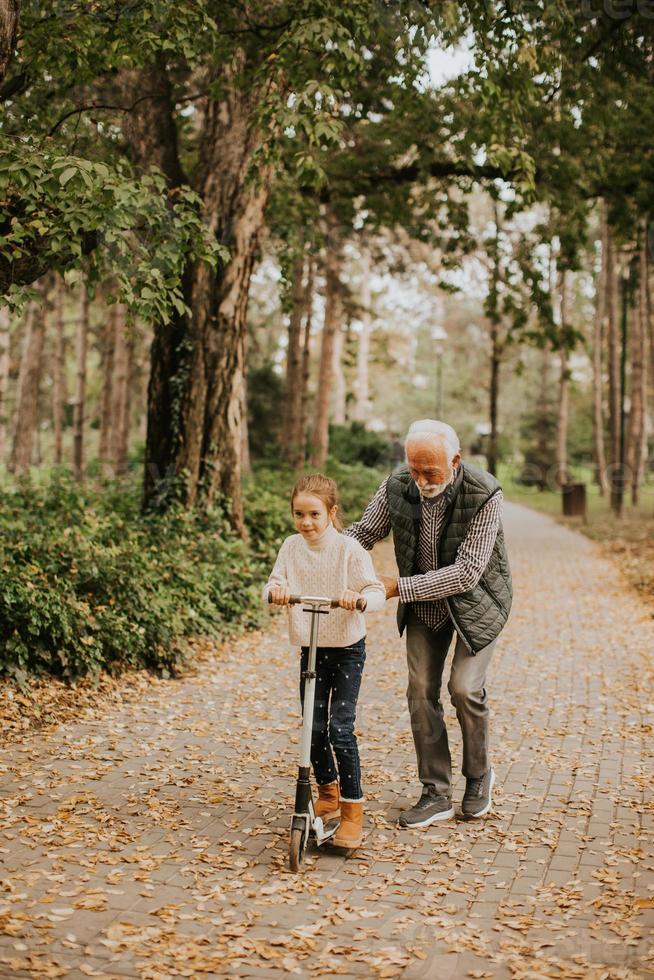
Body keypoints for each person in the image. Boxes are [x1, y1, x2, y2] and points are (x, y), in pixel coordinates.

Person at [344, 419, 512, 828]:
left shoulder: (485, 492)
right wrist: (323, 552)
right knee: (420, 691)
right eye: (414, 469)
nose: (419, 480)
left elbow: (467, 572)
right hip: (426, 607)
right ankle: (435, 791)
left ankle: (478, 777)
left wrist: (397, 586)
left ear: (455, 461)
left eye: (430, 472)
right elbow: (365, 532)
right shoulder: (397, 485)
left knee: (464, 688)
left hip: (477, 603)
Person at [263, 473, 386, 849]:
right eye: (299, 514)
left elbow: (375, 589)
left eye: (314, 514)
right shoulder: (290, 547)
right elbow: (271, 583)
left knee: (340, 729)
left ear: (331, 513)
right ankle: (328, 794)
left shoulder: (349, 550)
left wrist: (360, 599)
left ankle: (352, 810)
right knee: (312, 729)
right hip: (312, 648)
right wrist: (277, 592)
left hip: (347, 648)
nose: (306, 523)